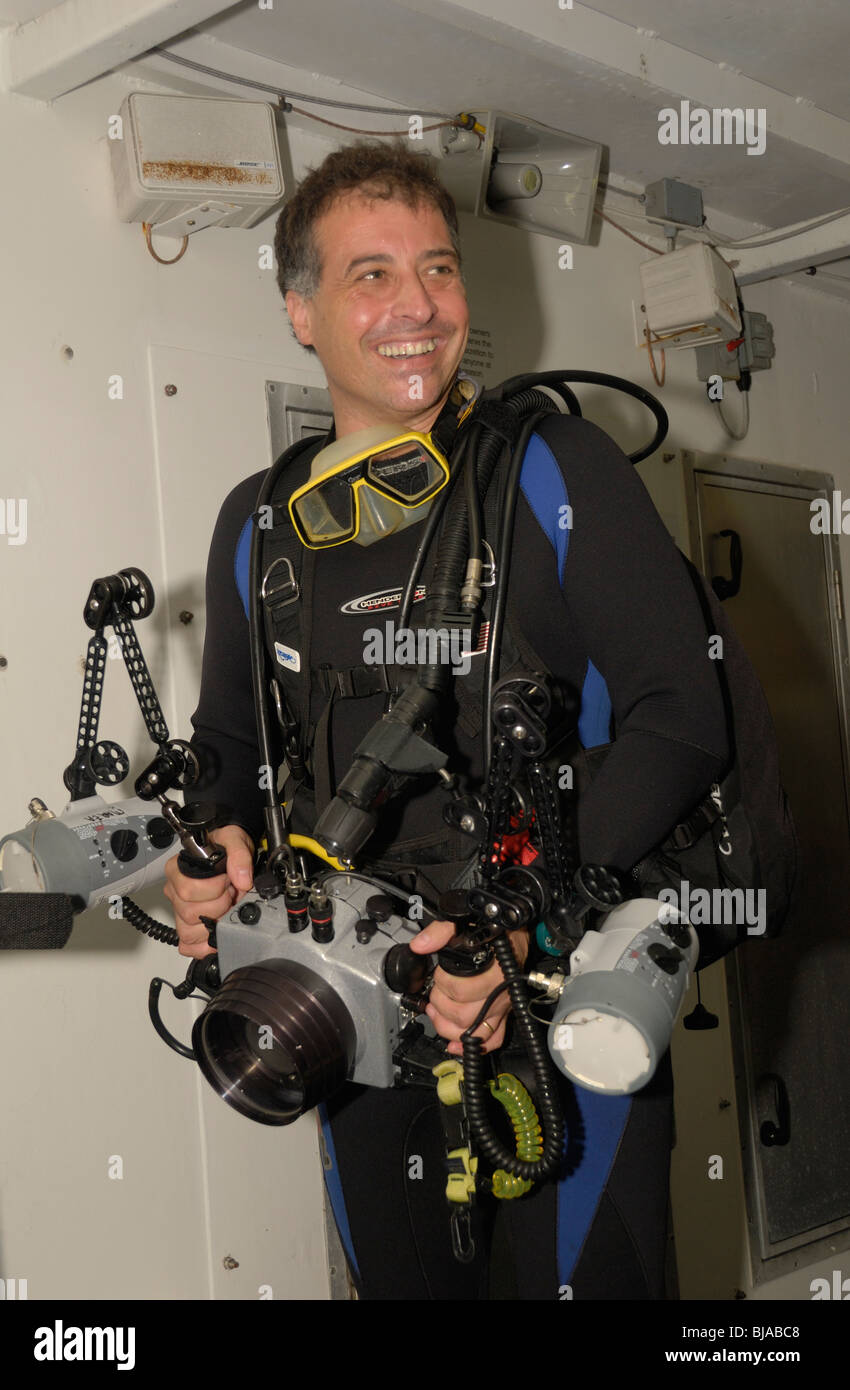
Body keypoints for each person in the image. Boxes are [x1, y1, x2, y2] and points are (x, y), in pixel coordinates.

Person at [163, 139, 729, 1300]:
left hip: (550, 1013)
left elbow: (681, 720)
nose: (417, 305)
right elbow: (228, 740)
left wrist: (511, 928)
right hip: (356, 1028)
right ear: (299, 310)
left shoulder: (551, 468)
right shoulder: (258, 522)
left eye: (436, 266)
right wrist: (211, 841)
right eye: (369, 274)